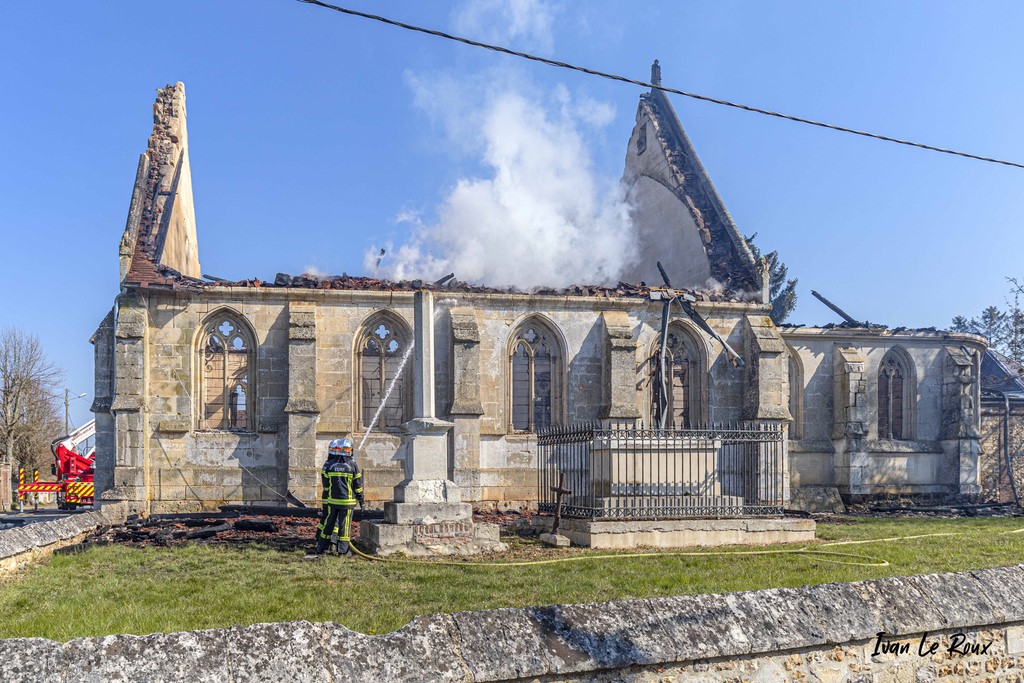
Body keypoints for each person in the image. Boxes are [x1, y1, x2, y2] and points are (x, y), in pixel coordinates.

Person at [314, 437, 364, 556]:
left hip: (332, 501)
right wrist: (361, 500)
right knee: (344, 527)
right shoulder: (352, 465)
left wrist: (329, 497)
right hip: (347, 502)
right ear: (349, 451)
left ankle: (321, 547)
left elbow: (326, 485)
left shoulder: (330, 465)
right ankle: (342, 551)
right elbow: (358, 485)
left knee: (328, 524)